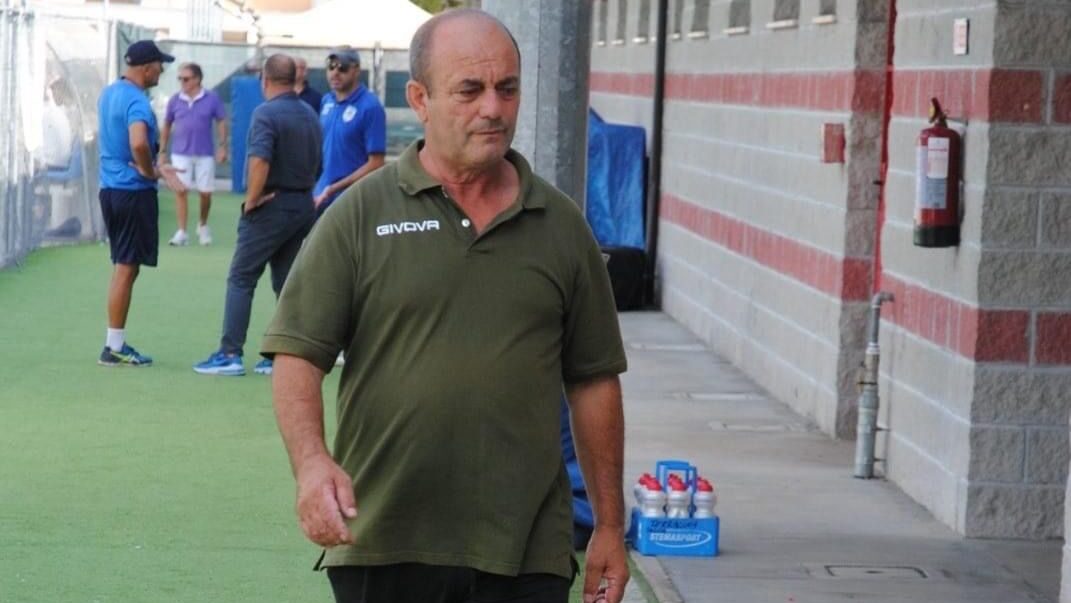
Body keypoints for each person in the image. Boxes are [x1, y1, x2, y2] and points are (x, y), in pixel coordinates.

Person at [263, 9, 630, 603]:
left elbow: (594, 382)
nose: (493, 107)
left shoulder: (561, 226)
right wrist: (311, 464)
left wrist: (610, 525)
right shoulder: (359, 215)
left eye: (507, 88)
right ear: (420, 99)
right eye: (470, 89)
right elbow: (298, 355)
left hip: (526, 552)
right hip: (384, 539)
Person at [192, 54, 321, 377]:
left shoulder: (265, 113)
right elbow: (319, 162)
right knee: (287, 282)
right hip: (303, 206)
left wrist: (252, 200)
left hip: (270, 205)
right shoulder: (309, 113)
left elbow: (260, 160)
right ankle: (284, 354)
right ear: (294, 78)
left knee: (242, 277)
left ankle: (230, 354)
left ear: (265, 79)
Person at [96, 40, 181, 367]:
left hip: (111, 190)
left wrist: (152, 168)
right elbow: (138, 143)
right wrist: (150, 171)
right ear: (147, 67)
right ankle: (113, 346)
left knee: (125, 265)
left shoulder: (110, 93)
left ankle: (114, 343)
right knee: (126, 266)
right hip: (131, 192)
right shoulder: (137, 101)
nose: (163, 71)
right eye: (160, 65)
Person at [160, 62, 228, 246]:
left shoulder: (212, 98)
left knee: (205, 192)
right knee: (181, 191)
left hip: (205, 153)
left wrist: (223, 146)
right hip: (180, 153)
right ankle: (182, 231)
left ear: (197, 79)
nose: (182, 82)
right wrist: (162, 151)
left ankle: (203, 225)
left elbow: (221, 121)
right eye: (180, 79)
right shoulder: (174, 100)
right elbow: (167, 125)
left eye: (186, 79)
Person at [312, 47, 386, 214]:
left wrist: (335, 187)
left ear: (356, 70)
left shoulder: (370, 107)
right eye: (331, 66)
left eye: (343, 68)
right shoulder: (327, 101)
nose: (335, 73)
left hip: (354, 199)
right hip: (322, 195)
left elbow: (376, 163)